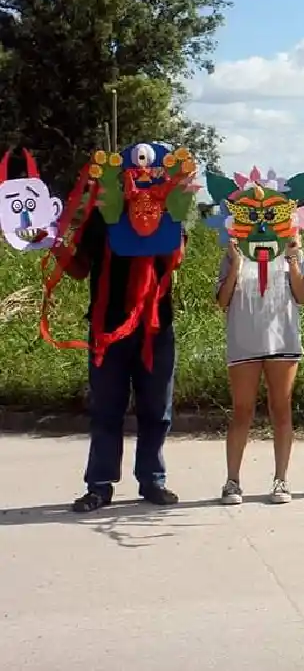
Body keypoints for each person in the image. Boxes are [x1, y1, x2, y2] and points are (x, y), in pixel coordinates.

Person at [52, 212, 184, 513]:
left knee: (156, 409)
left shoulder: (169, 210)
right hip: (108, 328)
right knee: (105, 411)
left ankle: (152, 480)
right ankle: (99, 486)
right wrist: (53, 245)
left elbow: (176, 258)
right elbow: (80, 269)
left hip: (155, 328)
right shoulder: (99, 216)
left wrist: (155, 219)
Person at [215, 233, 304, 505]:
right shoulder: (234, 249)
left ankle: (281, 479)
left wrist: (294, 257)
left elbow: (302, 295)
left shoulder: (290, 250)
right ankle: (232, 481)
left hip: (282, 340)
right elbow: (222, 301)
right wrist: (235, 262)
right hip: (244, 342)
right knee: (241, 410)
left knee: (281, 408)